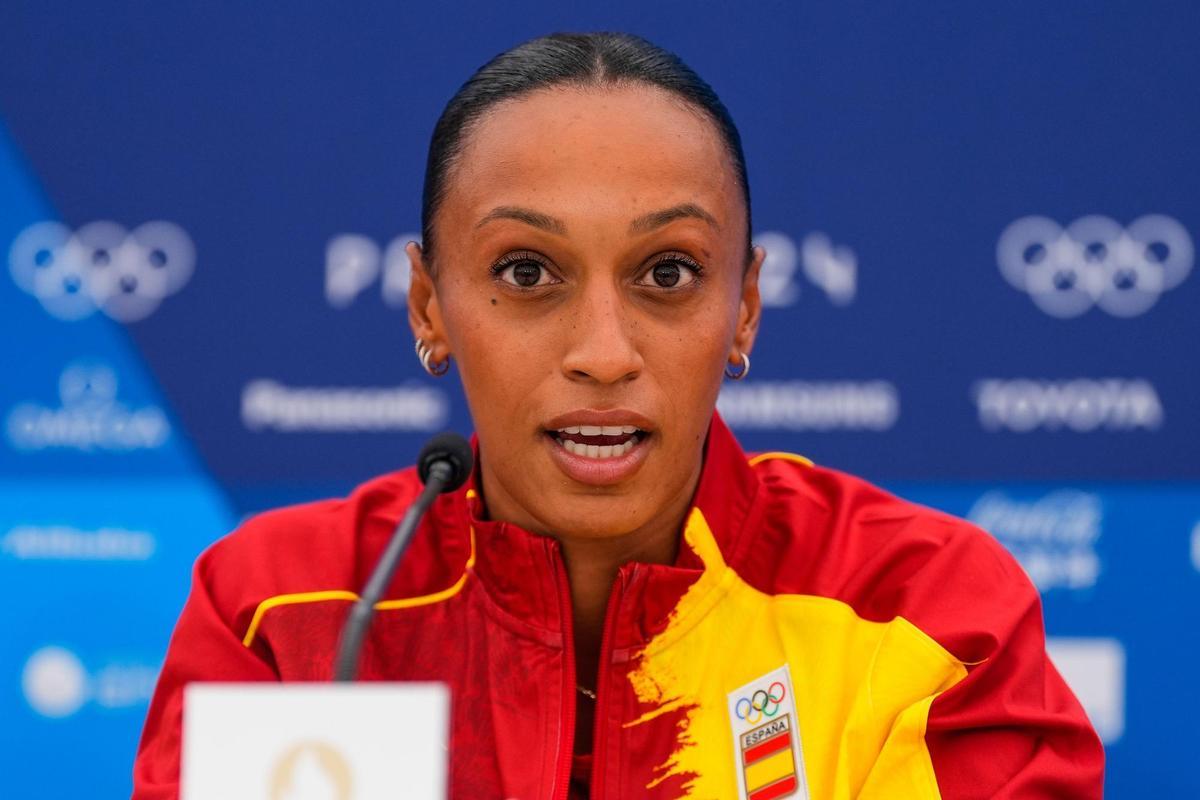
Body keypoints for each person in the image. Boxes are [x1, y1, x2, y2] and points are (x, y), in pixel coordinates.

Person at [132, 32, 1104, 800]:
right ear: (429, 306)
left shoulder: (927, 614)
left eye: (667, 273)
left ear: (746, 307)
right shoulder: (283, 616)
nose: (604, 349)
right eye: (526, 271)